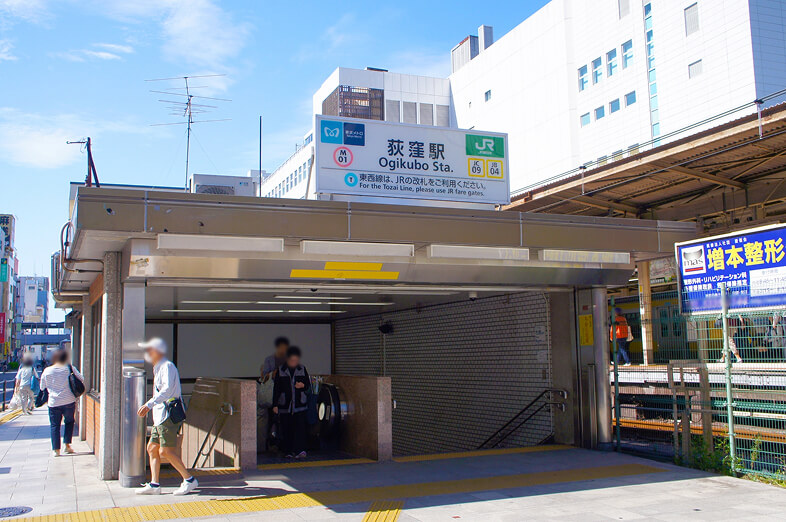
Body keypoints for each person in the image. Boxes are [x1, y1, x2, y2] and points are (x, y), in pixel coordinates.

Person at [135, 337, 198, 496]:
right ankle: (155, 484)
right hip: (160, 417)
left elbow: (168, 390)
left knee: (166, 451)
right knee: (152, 448)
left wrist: (149, 404)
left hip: (167, 415)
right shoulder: (158, 367)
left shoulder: (167, 366)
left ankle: (189, 480)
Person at [40, 349, 84, 457]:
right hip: (69, 400)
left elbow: (42, 387)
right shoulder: (69, 368)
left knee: (55, 425)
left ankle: (56, 450)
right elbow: (81, 379)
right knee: (69, 422)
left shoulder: (47, 371)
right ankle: (67, 446)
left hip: (54, 402)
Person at [272, 346, 311, 459]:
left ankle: (300, 450)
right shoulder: (281, 370)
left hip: (300, 404)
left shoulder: (302, 369)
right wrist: (275, 404)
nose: (294, 362)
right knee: (286, 428)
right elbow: (277, 389)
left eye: (296, 360)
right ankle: (287, 451)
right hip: (285, 404)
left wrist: (302, 386)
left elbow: (308, 385)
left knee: (300, 428)